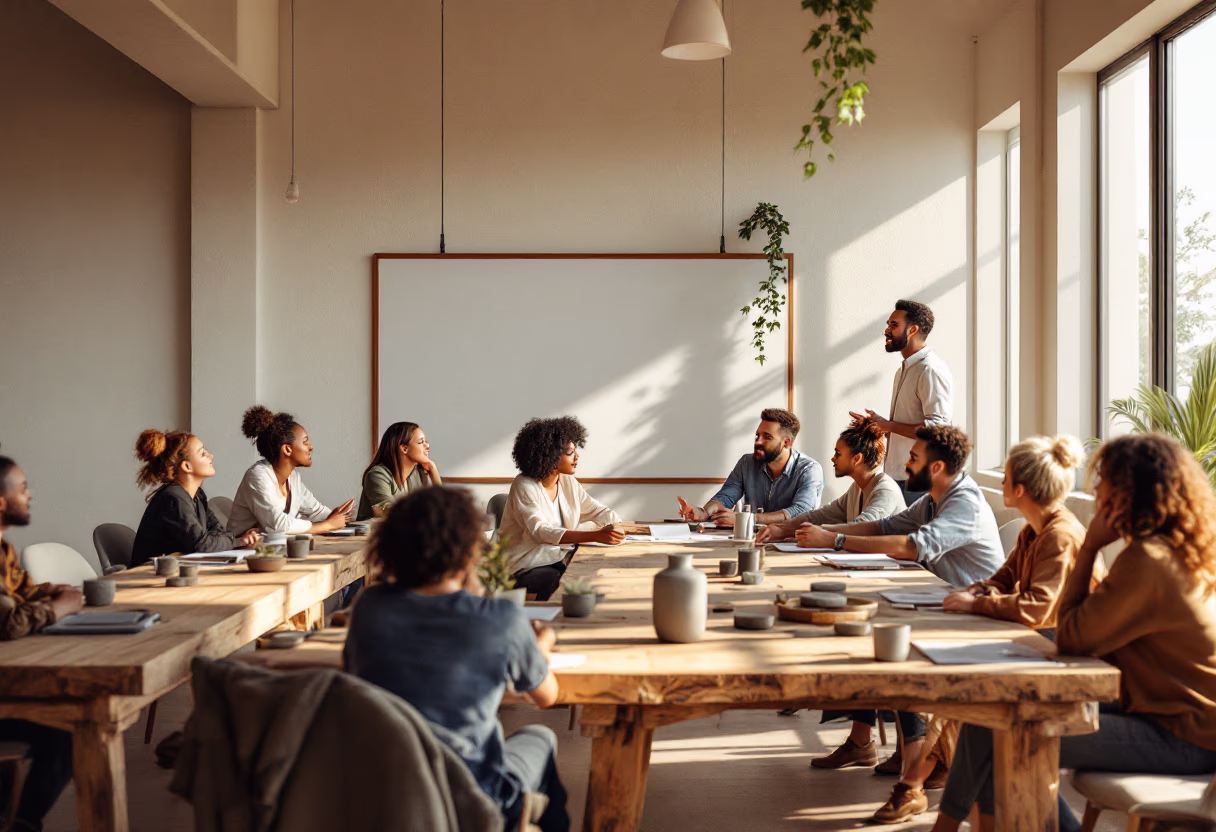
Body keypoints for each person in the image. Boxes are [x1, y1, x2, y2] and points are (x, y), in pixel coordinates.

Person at [932, 433, 1216, 832]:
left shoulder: (1148, 560)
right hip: (1158, 710)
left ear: (1127, 492)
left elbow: (1070, 636)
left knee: (1012, 734)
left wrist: (1090, 547)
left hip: (1184, 736)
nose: (1094, 487)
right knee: (994, 714)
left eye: (1105, 479)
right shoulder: (1166, 551)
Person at [799, 425, 1003, 819]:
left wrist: (834, 541)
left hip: (979, 619)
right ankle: (865, 742)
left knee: (896, 648)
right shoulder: (933, 498)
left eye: (913, 458)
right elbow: (885, 527)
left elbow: (911, 547)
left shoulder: (965, 503)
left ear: (937, 466)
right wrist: (821, 534)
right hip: (943, 603)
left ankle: (913, 775)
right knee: (879, 632)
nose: (906, 464)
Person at [344, 486, 569, 832]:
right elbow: (546, 697)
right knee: (541, 737)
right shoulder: (500, 619)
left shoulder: (369, 607)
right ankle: (515, 816)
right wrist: (542, 647)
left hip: (384, 790)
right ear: (468, 553)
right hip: (470, 792)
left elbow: (354, 676)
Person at [0, 456, 80, 830]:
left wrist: (51, 590)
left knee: (67, 729)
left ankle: (18, 820)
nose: (29, 496)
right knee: (73, 730)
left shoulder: (4, 549)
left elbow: (21, 588)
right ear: (1, 502)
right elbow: (10, 622)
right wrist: (58, 609)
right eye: (23, 488)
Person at [943, 435, 1089, 632]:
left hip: (1064, 638)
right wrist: (981, 589)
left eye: (1005, 479)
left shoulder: (1060, 537)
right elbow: (1005, 579)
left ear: (1019, 490)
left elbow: (1036, 608)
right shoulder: (1032, 529)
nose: (1002, 485)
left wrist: (974, 604)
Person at [497, 416, 623, 601]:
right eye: (570, 452)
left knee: (600, 573)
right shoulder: (524, 485)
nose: (577, 457)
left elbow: (598, 511)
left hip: (558, 558)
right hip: (527, 565)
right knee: (569, 583)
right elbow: (540, 532)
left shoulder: (567, 481)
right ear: (550, 454)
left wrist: (617, 526)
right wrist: (596, 535)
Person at [850, 300, 953, 502]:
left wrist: (889, 425)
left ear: (912, 329)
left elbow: (938, 430)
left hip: (918, 482)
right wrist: (879, 427)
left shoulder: (930, 370)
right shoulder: (903, 370)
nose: (886, 331)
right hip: (896, 478)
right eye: (888, 324)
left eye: (894, 325)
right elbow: (905, 425)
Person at [757, 416, 904, 544]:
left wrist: (805, 531)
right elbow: (820, 516)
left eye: (838, 454)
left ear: (857, 458)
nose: (833, 458)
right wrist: (782, 528)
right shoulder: (857, 488)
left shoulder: (885, 490)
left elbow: (862, 527)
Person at [130, 430, 261, 567]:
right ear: (187, 466)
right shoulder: (173, 498)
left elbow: (218, 532)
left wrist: (230, 539)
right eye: (203, 453)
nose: (211, 456)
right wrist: (237, 540)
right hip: (149, 579)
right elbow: (201, 545)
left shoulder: (197, 495)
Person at [677, 408, 824, 528]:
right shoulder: (747, 462)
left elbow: (801, 512)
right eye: (757, 435)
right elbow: (725, 497)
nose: (758, 441)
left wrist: (745, 519)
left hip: (791, 542)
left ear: (786, 442)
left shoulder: (809, 469)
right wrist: (703, 512)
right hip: (751, 540)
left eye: (767, 437)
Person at [227, 406, 353, 536]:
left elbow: (316, 512)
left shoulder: (293, 477)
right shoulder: (257, 476)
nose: (311, 447)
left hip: (273, 549)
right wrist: (327, 525)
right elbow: (277, 525)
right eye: (305, 442)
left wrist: (339, 516)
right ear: (287, 449)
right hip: (244, 551)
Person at [356, 421, 442, 520]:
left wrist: (433, 471)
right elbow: (385, 510)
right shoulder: (377, 475)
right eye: (421, 442)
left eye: (426, 441)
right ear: (404, 448)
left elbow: (441, 507)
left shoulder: (418, 473)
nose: (427, 446)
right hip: (375, 534)